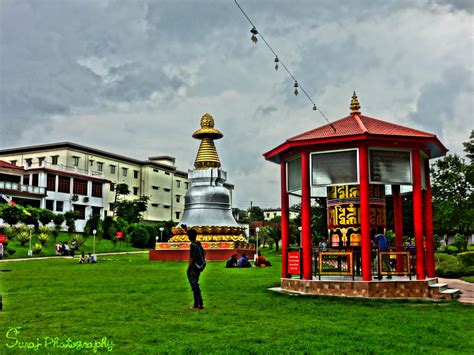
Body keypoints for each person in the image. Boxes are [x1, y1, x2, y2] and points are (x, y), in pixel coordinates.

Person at [186, 228, 205, 310]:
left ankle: (196, 305)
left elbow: (192, 258)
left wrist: (188, 268)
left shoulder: (193, 245)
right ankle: (200, 304)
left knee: (194, 286)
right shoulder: (198, 244)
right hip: (199, 267)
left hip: (194, 267)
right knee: (196, 286)